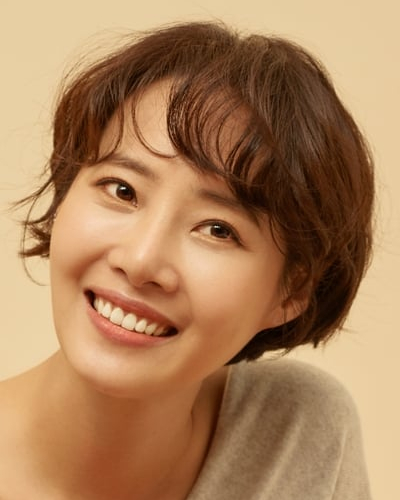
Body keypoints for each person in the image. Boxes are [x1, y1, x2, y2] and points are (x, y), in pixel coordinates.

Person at [0, 21, 374, 500]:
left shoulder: (296, 433)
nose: (140, 261)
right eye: (122, 190)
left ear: (292, 291)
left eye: (218, 229)